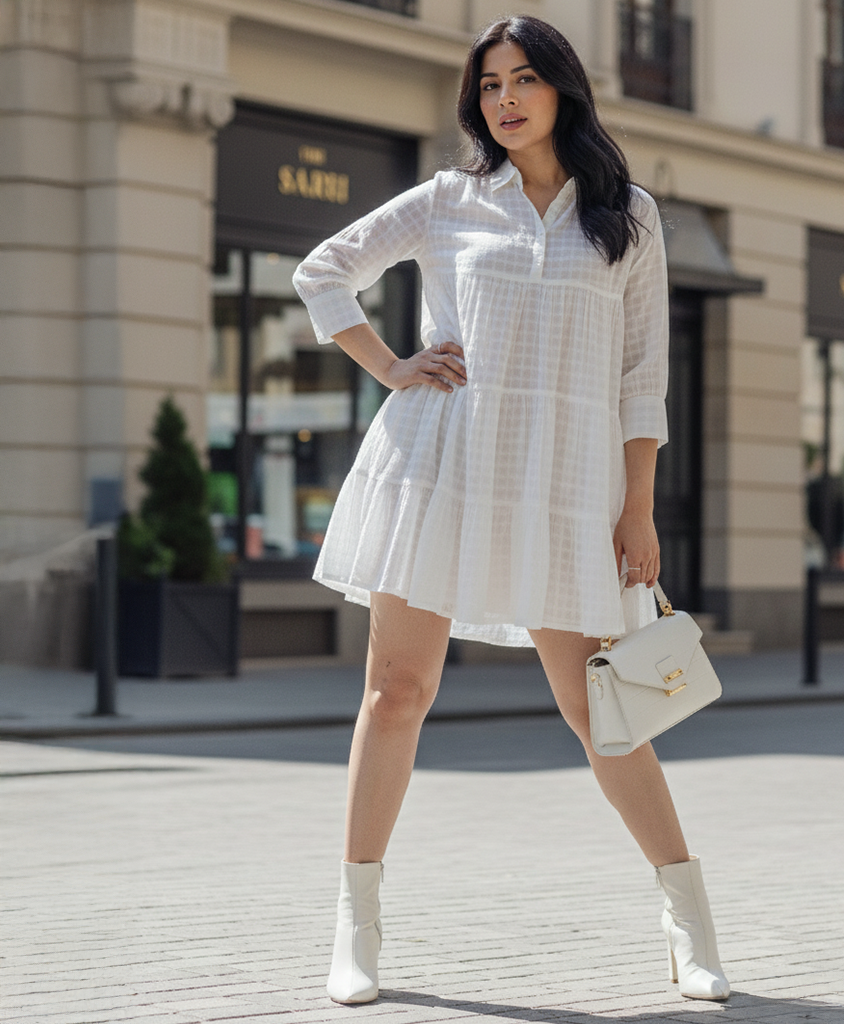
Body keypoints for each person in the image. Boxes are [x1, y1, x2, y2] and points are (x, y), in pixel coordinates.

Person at [292, 14, 730, 1006]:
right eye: (489, 84)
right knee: (396, 692)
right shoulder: (450, 200)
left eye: (524, 78)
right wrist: (392, 366)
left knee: (602, 714)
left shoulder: (628, 217)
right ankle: (356, 925)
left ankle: (688, 921)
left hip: (567, 486)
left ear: (563, 90)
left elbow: (641, 381)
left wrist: (638, 509)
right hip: (442, 466)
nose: (505, 99)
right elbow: (323, 271)